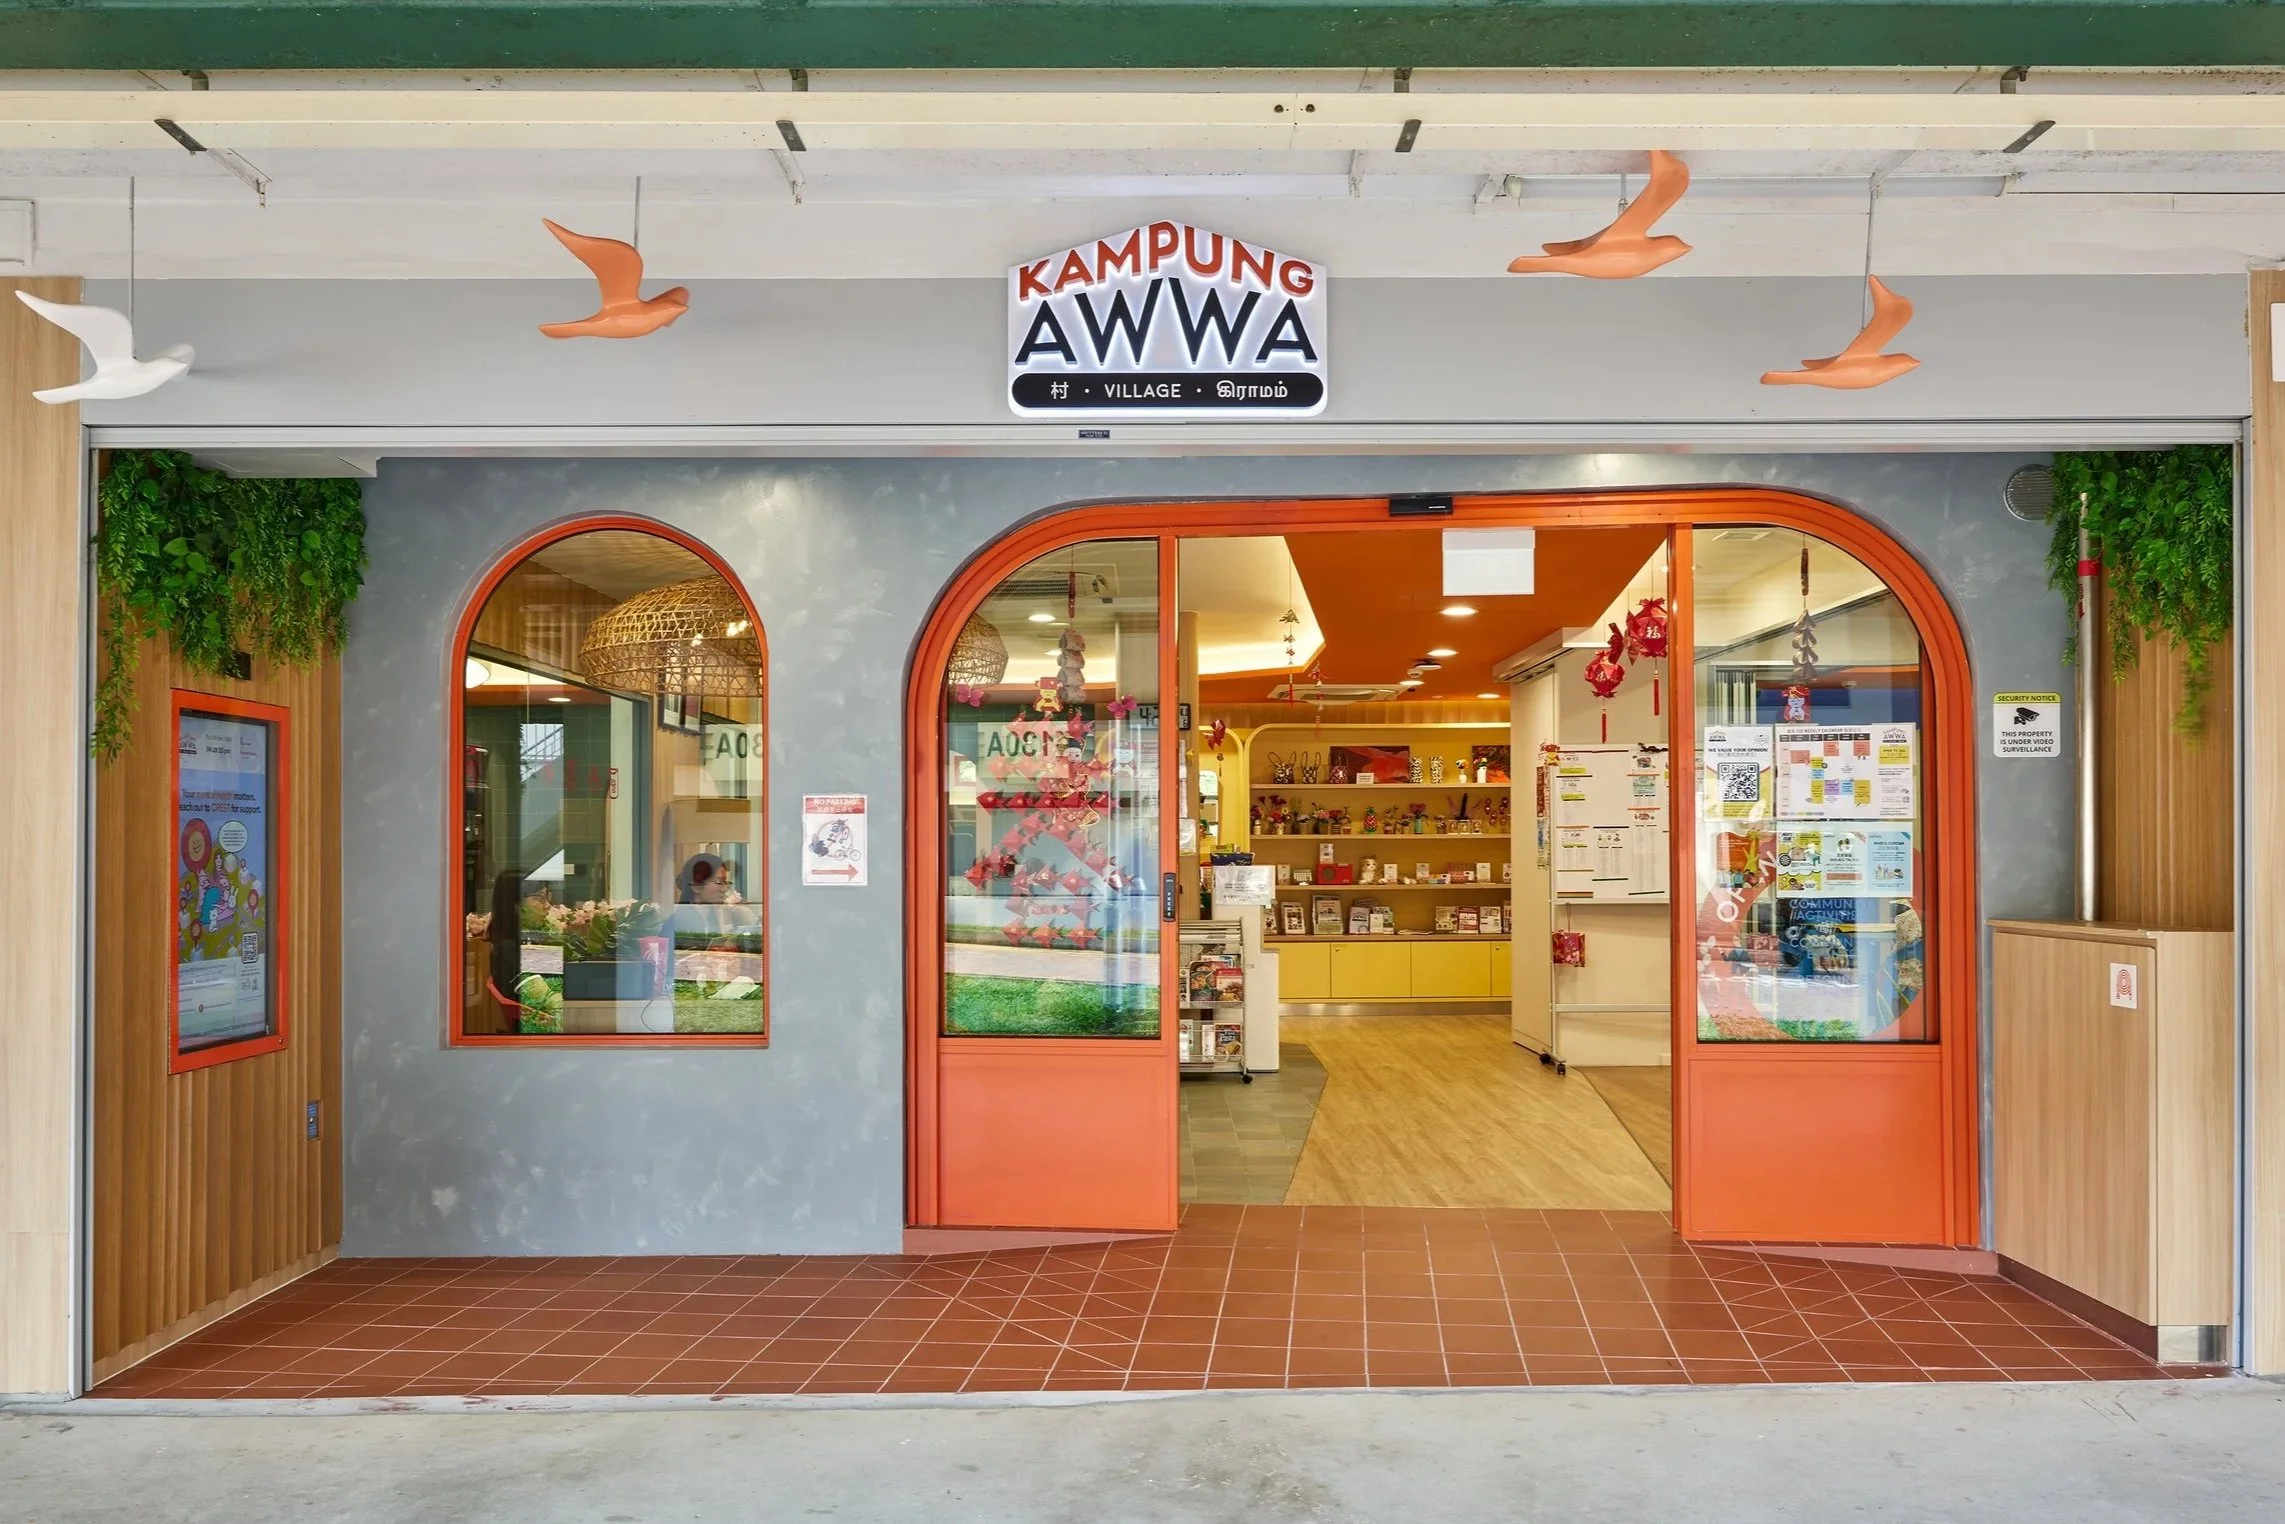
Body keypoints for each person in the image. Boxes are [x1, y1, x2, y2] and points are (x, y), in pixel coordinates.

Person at [489, 868, 526, 1030]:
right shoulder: (507, 948)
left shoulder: (521, 940)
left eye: (547, 895)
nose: (547, 905)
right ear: (515, 905)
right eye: (539, 898)